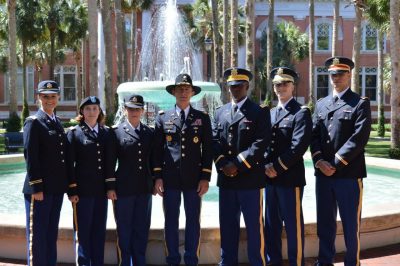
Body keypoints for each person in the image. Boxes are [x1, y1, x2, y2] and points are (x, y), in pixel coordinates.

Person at [310, 56, 371, 266]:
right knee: (325, 223)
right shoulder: (321, 104)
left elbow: (359, 138)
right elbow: (314, 136)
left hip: (348, 175)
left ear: (349, 75)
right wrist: (319, 161)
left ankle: (352, 262)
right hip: (323, 176)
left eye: (340, 73)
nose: (336, 78)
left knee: (350, 224)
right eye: (332, 74)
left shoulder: (359, 103)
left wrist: (333, 164)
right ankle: (324, 261)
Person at [153, 73, 213, 266]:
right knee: (170, 221)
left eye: (187, 89)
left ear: (193, 92)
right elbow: (157, 150)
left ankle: (190, 260)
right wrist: (158, 177)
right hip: (170, 180)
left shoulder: (202, 118)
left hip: (194, 180)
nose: (184, 92)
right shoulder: (163, 118)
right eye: (180, 89)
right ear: (174, 92)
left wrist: (205, 177)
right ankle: (172, 260)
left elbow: (208, 150)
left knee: (193, 222)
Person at [212, 67, 271, 266]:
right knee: (227, 227)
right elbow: (213, 142)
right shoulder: (220, 112)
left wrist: (236, 164)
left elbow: (260, 142)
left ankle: (258, 262)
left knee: (254, 228)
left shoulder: (259, 112)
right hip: (226, 182)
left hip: (250, 180)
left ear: (247, 86)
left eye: (239, 86)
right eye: (231, 86)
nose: (235, 90)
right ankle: (227, 262)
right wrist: (222, 164)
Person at [264, 67, 312, 266]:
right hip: (269, 179)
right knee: (271, 226)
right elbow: (263, 143)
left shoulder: (301, 113)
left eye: (285, 83)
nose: (281, 87)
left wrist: (276, 166)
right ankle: (273, 261)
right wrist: (265, 165)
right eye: (277, 84)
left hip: (289, 178)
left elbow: (299, 146)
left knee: (292, 226)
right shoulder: (269, 113)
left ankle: (296, 262)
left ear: (293, 86)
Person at [22, 80, 69, 265]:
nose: (49, 100)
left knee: (51, 234)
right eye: (45, 96)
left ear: (58, 97)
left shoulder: (56, 123)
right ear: (39, 98)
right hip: (39, 191)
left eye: (52, 96)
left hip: (55, 189)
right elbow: (31, 157)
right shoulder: (34, 122)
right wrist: (37, 187)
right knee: (38, 237)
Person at [105, 94, 154, 266]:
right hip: (123, 189)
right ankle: (125, 262)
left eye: (137, 109)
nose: (134, 112)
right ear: (125, 110)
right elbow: (110, 163)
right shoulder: (116, 132)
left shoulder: (149, 133)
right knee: (124, 230)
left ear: (142, 110)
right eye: (130, 108)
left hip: (144, 189)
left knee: (141, 228)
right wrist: (110, 187)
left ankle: (140, 261)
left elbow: (154, 160)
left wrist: (155, 182)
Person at [66, 96, 109, 265]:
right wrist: (72, 190)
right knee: (83, 233)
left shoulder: (106, 133)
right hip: (82, 193)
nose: (92, 112)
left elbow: (109, 163)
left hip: (101, 192)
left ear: (99, 112)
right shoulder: (74, 133)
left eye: (95, 108)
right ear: (82, 112)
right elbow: (69, 165)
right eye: (88, 109)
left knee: (99, 232)